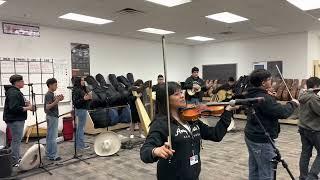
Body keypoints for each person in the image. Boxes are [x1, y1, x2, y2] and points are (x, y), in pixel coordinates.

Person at [140, 82, 238, 180]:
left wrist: (227, 112)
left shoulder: (191, 118)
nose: (182, 96)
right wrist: (155, 151)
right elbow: (145, 151)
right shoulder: (160, 124)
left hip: (193, 174)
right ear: (165, 99)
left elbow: (215, 135)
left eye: (181, 92)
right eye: (176, 94)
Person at [244, 69, 299, 180]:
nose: (271, 81)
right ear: (263, 83)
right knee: (266, 172)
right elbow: (282, 112)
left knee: (254, 169)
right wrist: (293, 103)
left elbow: (266, 109)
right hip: (262, 139)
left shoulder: (250, 93)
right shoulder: (264, 98)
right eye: (269, 79)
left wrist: (269, 95)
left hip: (251, 135)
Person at [3, 75, 34, 167]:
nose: (23, 82)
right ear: (17, 82)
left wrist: (26, 104)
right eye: (22, 81)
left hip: (16, 119)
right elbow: (14, 108)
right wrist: (28, 107)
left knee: (16, 140)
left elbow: (16, 104)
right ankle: (14, 161)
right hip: (15, 120)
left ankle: (16, 157)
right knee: (16, 140)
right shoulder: (13, 93)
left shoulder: (16, 92)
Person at [298, 77, 320, 180]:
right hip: (314, 130)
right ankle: (311, 177)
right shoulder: (313, 98)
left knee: (305, 154)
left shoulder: (302, 94)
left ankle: (303, 177)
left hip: (303, 128)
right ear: (316, 86)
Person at [44, 78, 64, 161]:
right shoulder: (48, 94)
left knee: (49, 136)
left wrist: (58, 99)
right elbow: (47, 107)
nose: (56, 86)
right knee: (52, 137)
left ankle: (49, 154)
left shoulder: (51, 94)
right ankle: (53, 155)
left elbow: (51, 104)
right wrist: (57, 101)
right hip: (52, 117)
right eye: (55, 85)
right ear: (50, 85)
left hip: (51, 116)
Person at [72, 77, 92, 149]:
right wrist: (84, 99)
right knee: (81, 128)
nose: (84, 82)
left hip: (82, 109)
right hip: (81, 110)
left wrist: (88, 97)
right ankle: (80, 145)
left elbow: (87, 98)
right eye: (82, 80)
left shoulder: (80, 89)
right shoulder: (77, 90)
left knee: (80, 128)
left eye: (84, 80)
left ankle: (79, 144)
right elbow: (76, 102)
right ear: (78, 81)